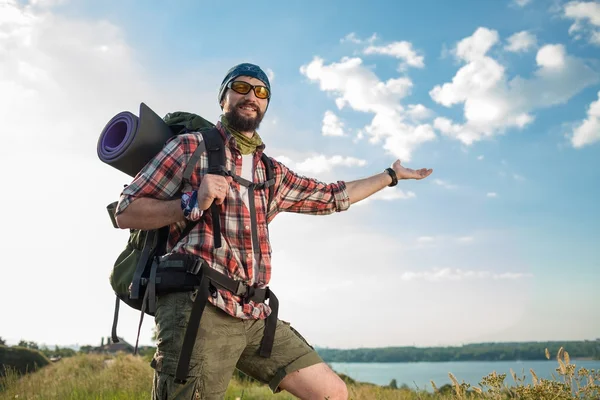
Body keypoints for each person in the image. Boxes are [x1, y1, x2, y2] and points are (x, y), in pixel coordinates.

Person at [114, 63, 433, 400]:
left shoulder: (272, 172)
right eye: (241, 87)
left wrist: (390, 176)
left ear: (266, 105)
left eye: (261, 91)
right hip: (199, 306)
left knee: (332, 393)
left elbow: (332, 196)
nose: (251, 95)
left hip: (254, 311)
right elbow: (126, 211)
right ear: (223, 97)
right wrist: (190, 200)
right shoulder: (189, 148)